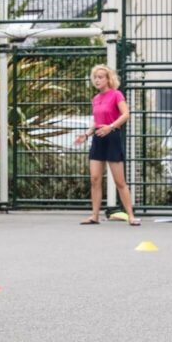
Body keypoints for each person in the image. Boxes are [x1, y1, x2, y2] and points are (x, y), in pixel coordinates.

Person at [74, 64, 140, 226]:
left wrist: (110, 127)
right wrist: (86, 134)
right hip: (98, 138)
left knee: (120, 181)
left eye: (100, 77)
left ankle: (130, 215)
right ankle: (94, 215)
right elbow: (96, 121)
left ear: (108, 79)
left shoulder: (116, 95)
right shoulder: (96, 99)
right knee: (95, 179)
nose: (97, 80)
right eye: (95, 77)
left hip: (112, 137)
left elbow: (126, 115)